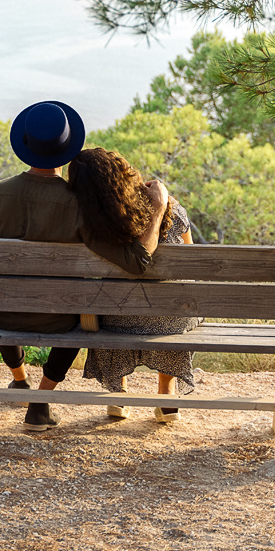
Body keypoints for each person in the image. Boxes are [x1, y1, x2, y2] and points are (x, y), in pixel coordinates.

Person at [0, 101, 171, 432]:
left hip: (2, 312)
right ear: (66, 149)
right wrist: (158, 207)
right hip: (57, 319)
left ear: (24, 145)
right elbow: (138, 261)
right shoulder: (79, 206)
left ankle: (20, 381)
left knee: (4, 289)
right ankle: (38, 402)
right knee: (81, 319)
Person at [67, 147, 199, 423]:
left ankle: (119, 391)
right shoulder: (172, 208)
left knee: (111, 304)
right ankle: (166, 393)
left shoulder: (90, 225)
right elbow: (191, 262)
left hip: (116, 318)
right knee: (174, 307)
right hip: (170, 319)